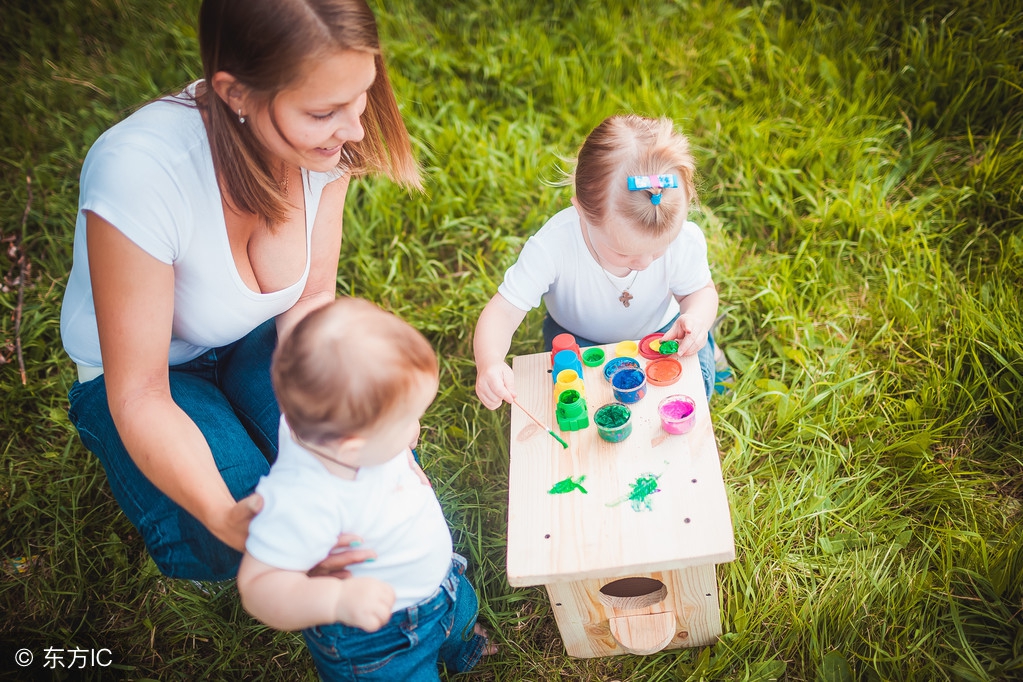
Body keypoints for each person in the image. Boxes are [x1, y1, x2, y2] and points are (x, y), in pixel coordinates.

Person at [60, 0, 421, 582]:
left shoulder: (328, 141)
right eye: (324, 111)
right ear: (235, 94)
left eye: (361, 96)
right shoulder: (139, 173)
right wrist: (224, 517)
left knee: (365, 461)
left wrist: (352, 423)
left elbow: (308, 301)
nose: (356, 130)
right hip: (146, 374)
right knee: (251, 522)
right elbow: (142, 394)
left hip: (257, 334)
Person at [238, 297, 494, 681]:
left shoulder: (327, 425)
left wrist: (397, 442)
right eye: (408, 419)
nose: (416, 427)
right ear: (353, 448)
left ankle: (463, 647)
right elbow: (258, 587)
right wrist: (336, 600)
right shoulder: (303, 498)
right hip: (379, 639)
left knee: (460, 620)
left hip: (441, 581)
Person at [473, 114, 726, 410]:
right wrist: (490, 362)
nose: (644, 263)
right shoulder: (553, 246)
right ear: (582, 211)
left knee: (695, 390)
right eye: (623, 253)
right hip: (581, 339)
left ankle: (709, 347)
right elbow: (503, 312)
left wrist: (696, 319)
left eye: (659, 251)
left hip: (663, 331)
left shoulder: (683, 240)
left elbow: (700, 292)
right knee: (584, 401)